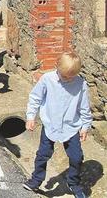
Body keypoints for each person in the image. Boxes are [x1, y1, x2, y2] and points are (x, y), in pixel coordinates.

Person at [23, 52, 92, 198]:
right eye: (64, 75)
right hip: (50, 124)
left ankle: (73, 182)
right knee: (43, 154)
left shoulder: (81, 84)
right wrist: (31, 117)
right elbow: (35, 98)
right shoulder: (47, 79)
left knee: (76, 157)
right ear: (57, 66)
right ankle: (36, 180)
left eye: (71, 76)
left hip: (71, 127)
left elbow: (84, 107)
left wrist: (85, 126)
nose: (67, 79)